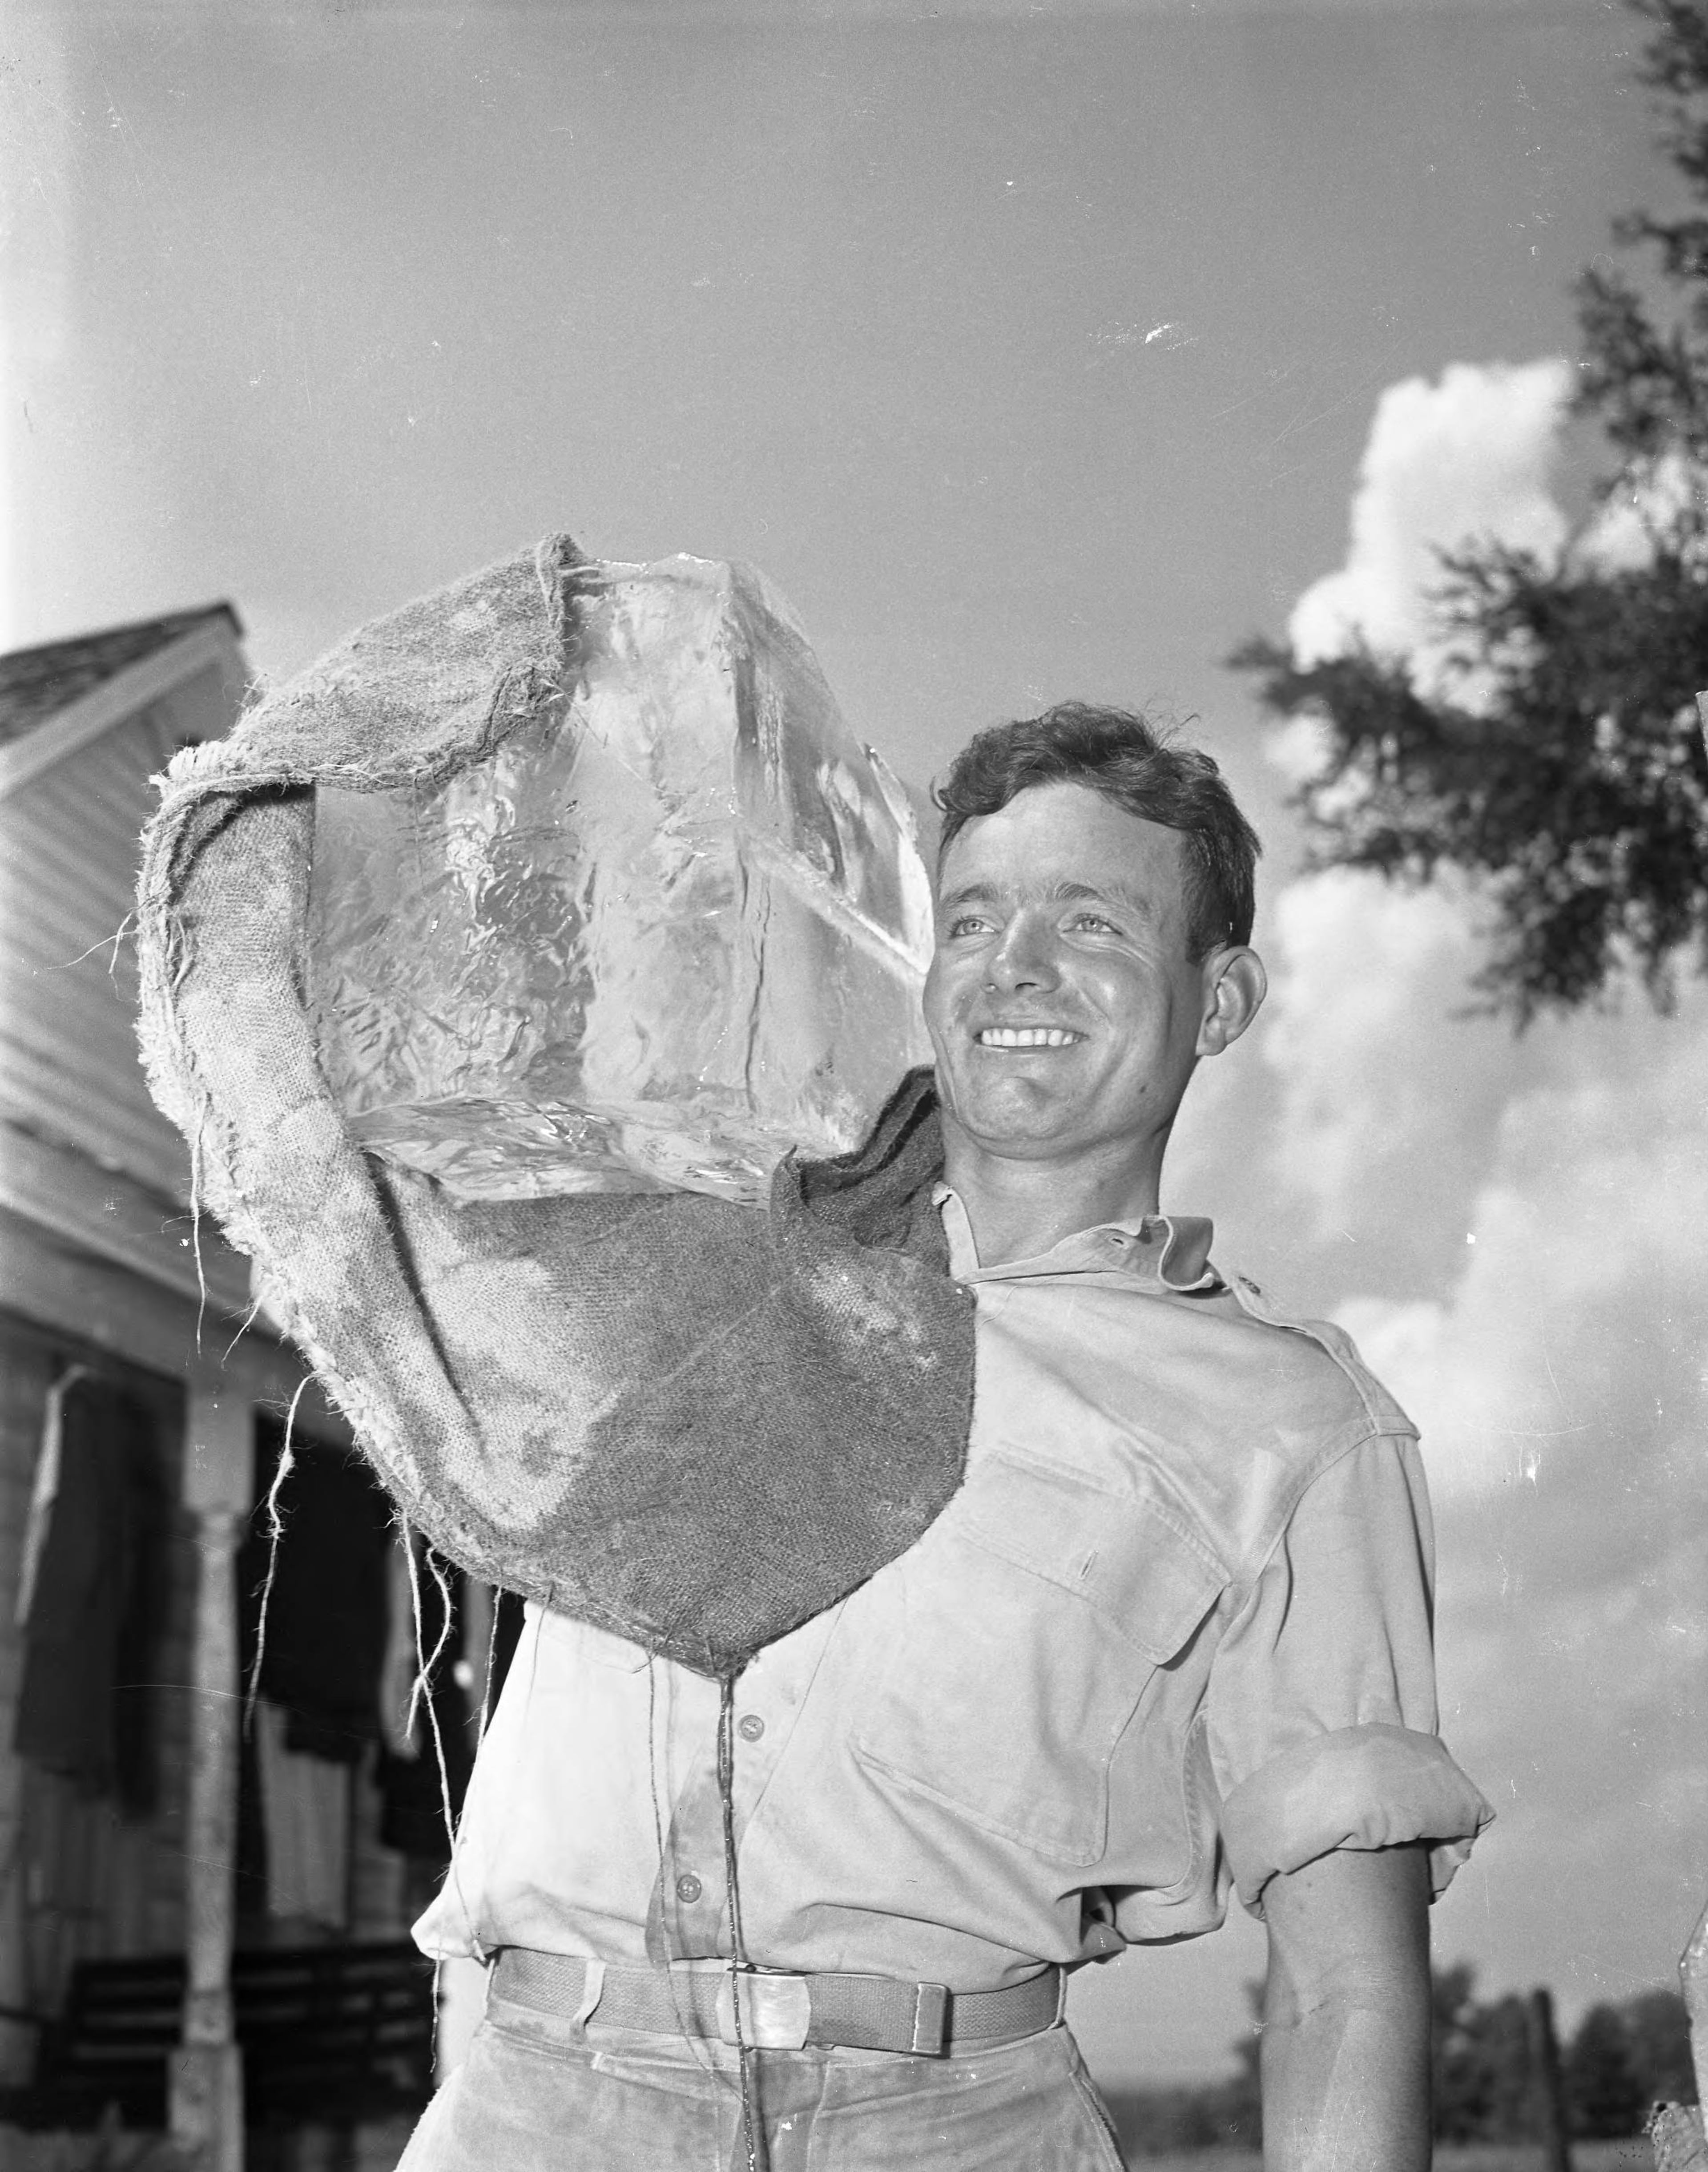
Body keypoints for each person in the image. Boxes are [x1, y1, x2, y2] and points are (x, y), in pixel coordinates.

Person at [396, 702, 1491, 2172]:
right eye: (972, 919)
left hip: (946, 2129)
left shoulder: (1291, 1427)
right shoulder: (700, 1270)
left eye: (1090, 921)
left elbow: (1344, 1989)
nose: (1013, 963)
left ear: (1220, 999)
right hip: (539, 2111)